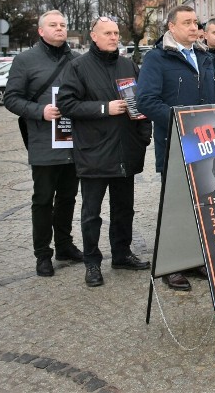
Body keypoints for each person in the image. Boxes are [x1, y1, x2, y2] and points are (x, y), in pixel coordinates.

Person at [57, 16, 153, 288]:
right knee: (91, 213)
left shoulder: (128, 65)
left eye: (116, 33)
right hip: (94, 152)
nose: (114, 37)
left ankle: (121, 254)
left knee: (124, 210)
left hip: (125, 150)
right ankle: (92, 263)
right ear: (94, 36)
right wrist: (103, 108)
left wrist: (144, 137)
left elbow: (141, 101)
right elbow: (66, 104)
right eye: (107, 33)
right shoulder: (78, 67)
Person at [137, 5, 215, 291]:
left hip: (206, 144)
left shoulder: (204, 57)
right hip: (175, 144)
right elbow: (147, 101)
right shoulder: (156, 58)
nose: (194, 27)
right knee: (176, 207)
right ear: (171, 27)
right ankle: (172, 266)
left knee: (202, 204)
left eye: (196, 22)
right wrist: (182, 123)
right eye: (187, 22)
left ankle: (197, 257)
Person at [5, 10, 82, 277]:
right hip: (43, 140)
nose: (59, 28)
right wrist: (40, 111)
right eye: (53, 25)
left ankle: (64, 245)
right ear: (41, 31)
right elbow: (10, 98)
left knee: (68, 197)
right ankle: (43, 254)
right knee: (43, 199)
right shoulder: (25, 60)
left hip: (72, 140)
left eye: (63, 24)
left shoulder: (77, 59)